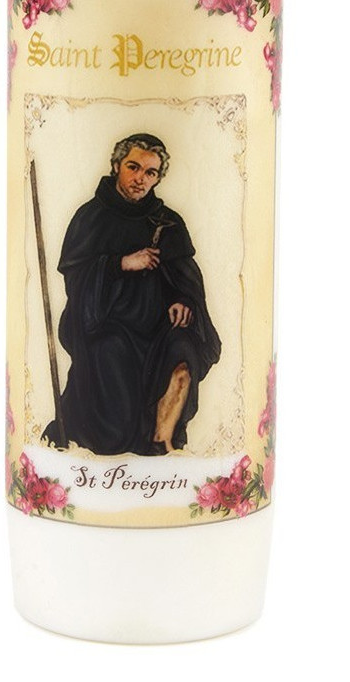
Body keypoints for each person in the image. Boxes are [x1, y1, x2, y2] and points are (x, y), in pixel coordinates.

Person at [43, 134, 221, 456]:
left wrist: (183, 302)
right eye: (133, 167)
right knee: (111, 350)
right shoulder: (90, 217)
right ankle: (110, 450)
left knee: (183, 346)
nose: (141, 178)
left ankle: (161, 443)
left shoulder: (168, 223)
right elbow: (77, 283)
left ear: (158, 178)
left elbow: (187, 280)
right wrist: (121, 263)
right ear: (116, 166)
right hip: (105, 324)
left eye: (151, 172)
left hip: (158, 328)